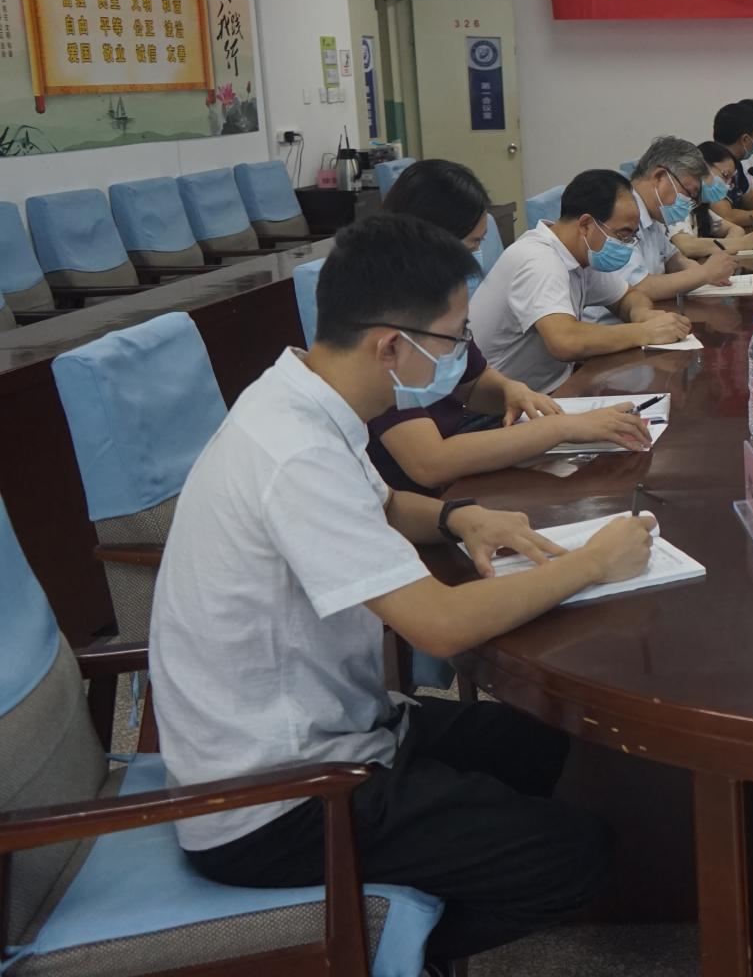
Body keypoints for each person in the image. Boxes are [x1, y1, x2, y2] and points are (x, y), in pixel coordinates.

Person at [149, 213, 657, 967]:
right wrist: (590, 563)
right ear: (391, 345)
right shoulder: (294, 452)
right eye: (453, 338)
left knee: (541, 736)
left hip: (339, 727)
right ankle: (370, 954)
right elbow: (439, 626)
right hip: (275, 802)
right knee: (575, 855)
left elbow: (379, 504)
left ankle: (432, 872)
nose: (461, 356)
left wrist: (458, 517)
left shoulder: (304, 395)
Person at [370, 159, 651, 495]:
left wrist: (509, 390)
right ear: (429, 238)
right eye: (472, 245)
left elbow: (474, 381)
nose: (474, 259)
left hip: (454, 459)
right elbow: (430, 463)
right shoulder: (382, 319)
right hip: (419, 491)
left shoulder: (436, 299)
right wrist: (563, 428)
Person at [469, 168, 691, 393]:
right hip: (502, 404)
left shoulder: (582, 255)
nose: (626, 245)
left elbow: (628, 295)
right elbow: (565, 341)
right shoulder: (539, 260)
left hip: (550, 388)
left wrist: (641, 314)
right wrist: (644, 332)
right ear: (585, 225)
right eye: (622, 235)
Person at [602, 135, 738, 301]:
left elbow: (673, 258)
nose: (689, 204)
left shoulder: (654, 214)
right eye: (688, 193)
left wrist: (702, 273)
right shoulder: (617, 214)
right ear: (659, 177)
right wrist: (705, 273)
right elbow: (637, 288)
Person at [671, 141, 753, 261]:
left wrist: (726, 248)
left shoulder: (698, 205)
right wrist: (741, 244)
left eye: (730, 180)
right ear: (701, 166)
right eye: (725, 175)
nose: (727, 185)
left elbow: (736, 229)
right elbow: (686, 246)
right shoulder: (675, 201)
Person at [710, 101, 753, 229]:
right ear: (745, 139)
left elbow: (751, 201)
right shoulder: (712, 166)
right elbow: (727, 217)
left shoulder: (736, 164)